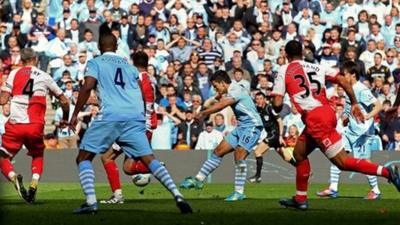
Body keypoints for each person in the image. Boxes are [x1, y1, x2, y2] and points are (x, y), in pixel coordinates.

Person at [69, 34, 192, 214]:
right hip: (134, 117)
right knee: (149, 159)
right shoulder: (130, 67)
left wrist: (75, 113)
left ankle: (91, 202)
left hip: (110, 115)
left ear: (99, 46)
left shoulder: (96, 62)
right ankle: (178, 195)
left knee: (83, 158)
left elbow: (87, 87)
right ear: (117, 46)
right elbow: (140, 93)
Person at [271, 40, 400, 210]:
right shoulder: (317, 67)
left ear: (286, 55)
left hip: (316, 119)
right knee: (299, 153)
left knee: (342, 162)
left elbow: (278, 102)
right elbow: (344, 81)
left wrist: (275, 107)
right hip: (325, 113)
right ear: (302, 54)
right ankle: (300, 199)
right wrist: (354, 102)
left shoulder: (284, 70)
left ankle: (388, 173)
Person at [180, 70, 263, 201]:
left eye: (215, 85)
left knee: (239, 154)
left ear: (223, 83)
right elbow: (221, 98)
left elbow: (222, 105)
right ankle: (198, 180)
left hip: (252, 126)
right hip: (241, 127)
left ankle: (239, 192)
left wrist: (203, 113)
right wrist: (217, 96)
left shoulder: (235, 89)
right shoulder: (232, 89)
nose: (215, 88)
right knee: (218, 151)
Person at [0, 48, 70, 204]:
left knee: (2, 157)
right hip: (35, 125)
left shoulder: (14, 73)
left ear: (21, 60)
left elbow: (3, 100)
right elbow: (65, 101)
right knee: (37, 155)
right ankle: (34, 182)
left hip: (16, 124)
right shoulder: (45, 76)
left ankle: (12, 177)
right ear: (35, 58)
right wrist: (65, 118)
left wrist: (6, 93)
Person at [317, 61, 383, 200]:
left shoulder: (361, 89)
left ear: (353, 75)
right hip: (350, 130)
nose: (341, 76)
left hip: (362, 133)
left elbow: (378, 106)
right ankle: (333, 188)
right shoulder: (348, 88)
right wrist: (346, 118)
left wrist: (367, 116)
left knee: (364, 162)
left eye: (344, 74)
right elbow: (350, 106)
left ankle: (376, 190)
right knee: (337, 155)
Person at [99, 50, 157, 204]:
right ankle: (152, 165)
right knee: (127, 167)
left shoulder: (138, 79)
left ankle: (118, 196)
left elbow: (138, 103)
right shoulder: (150, 79)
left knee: (106, 157)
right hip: (145, 125)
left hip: (136, 127)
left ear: (133, 63)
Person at [248, 92, 294, 183]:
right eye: (257, 99)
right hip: (271, 134)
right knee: (286, 157)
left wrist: (280, 136)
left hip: (274, 134)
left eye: (261, 99)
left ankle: (258, 176)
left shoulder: (269, 108)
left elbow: (280, 121)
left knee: (257, 151)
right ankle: (305, 171)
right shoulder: (258, 109)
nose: (259, 101)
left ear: (265, 99)